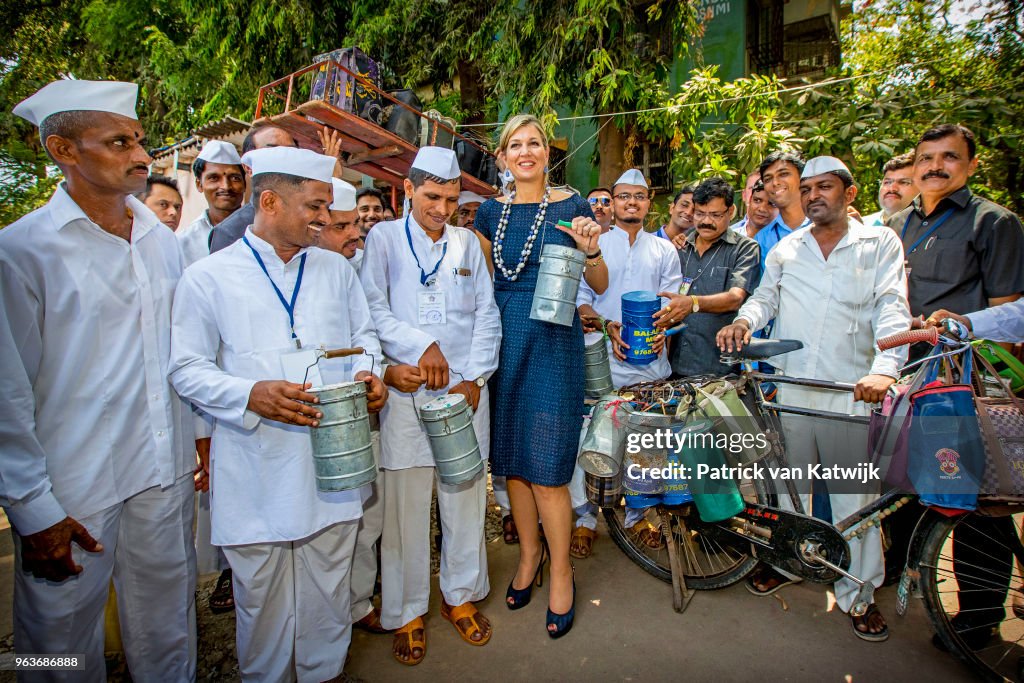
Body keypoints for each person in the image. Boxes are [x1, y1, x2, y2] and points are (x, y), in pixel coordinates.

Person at [1, 79, 198, 681]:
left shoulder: (162, 243)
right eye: (118, 142)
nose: (141, 156)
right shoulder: (22, 251)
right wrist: (33, 511)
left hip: (162, 474)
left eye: (138, 140)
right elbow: (7, 392)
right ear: (63, 150)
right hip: (72, 488)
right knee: (55, 639)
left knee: (168, 624)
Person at [169, 146, 387, 681]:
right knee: (261, 602)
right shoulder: (208, 277)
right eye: (314, 206)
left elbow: (364, 338)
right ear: (269, 200)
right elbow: (185, 368)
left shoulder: (335, 269)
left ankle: (324, 671)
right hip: (255, 468)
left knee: (328, 590)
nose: (324, 218)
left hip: (332, 465)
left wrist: (370, 373)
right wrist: (249, 394)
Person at [717, 156, 911, 642]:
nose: (813, 195)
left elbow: (893, 307)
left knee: (852, 499)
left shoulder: (877, 242)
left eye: (824, 186)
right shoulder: (787, 248)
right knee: (793, 490)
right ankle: (791, 566)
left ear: (850, 192)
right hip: (794, 389)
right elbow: (766, 299)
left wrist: (885, 370)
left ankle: (858, 594)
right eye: (807, 189)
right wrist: (745, 321)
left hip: (852, 391)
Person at [360, 147, 501, 665]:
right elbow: (371, 307)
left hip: (463, 393)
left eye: (451, 200)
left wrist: (477, 378)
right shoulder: (383, 239)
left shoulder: (467, 245)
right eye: (432, 197)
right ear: (409, 191)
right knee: (405, 504)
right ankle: (407, 609)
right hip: (407, 393)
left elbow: (487, 314)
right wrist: (419, 344)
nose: (442, 209)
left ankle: (459, 596)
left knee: (464, 496)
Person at [890, 123, 1024, 650]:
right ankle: (899, 578)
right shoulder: (896, 224)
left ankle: (979, 617)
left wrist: (963, 326)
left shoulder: (994, 222)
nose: (935, 167)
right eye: (926, 158)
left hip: (960, 386)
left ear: (969, 164)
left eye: (949, 157)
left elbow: (1011, 313)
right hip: (904, 377)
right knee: (904, 485)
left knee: (972, 501)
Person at [474, 113, 607, 639]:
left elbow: (598, 279)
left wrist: (592, 246)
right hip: (504, 341)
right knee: (513, 465)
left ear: (546, 155)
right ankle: (528, 556)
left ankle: (561, 571)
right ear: (503, 156)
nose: (525, 152)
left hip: (553, 340)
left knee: (549, 468)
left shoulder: (574, 206)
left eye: (534, 143)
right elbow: (480, 285)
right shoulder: (488, 212)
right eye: (515, 144)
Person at [572, 168, 683, 557]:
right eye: (623, 196)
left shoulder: (664, 249)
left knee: (646, 445)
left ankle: (640, 518)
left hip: (651, 365)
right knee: (595, 445)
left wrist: (663, 326)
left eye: (639, 196)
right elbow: (580, 299)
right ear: (613, 202)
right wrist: (605, 326)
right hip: (604, 362)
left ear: (649, 203)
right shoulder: (596, 244)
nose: (631, 202)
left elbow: (672, 301)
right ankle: (584, 520)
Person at [316, 178, 389, 637]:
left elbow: (368, 333)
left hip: (363, 415)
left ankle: (359, 604)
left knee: (366, 519)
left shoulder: (354, 268)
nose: (355, 234)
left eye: (355, 225)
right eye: (342, 226)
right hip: (313, 421)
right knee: (324, 535)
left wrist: (372, 372)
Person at [657, 177, 761, 378]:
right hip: (673, 365)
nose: (705, 221)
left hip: (719, 368)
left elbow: (735, 298)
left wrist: (693, 303)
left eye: (715, 215)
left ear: (731, 211)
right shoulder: (679, 247)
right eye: (700, 214)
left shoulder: (744, 249)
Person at [208, 125, 340, 253]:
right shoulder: (229, 232)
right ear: (249, 168)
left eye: (291, 152)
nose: (285, 157)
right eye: (274, 151)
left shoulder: (317, 222)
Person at [177, 139, 245, 265]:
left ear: (245, 183)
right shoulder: (184, 242)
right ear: (199, 184)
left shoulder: (261, 230)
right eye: (214, 178)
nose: (226, 186)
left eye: (235, 178)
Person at [754, 150, 811, 271]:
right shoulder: (762, 240)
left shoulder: (827, 224)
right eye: (768, 179)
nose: (775, 182)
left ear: (802, 178)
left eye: (783, 174)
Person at [862, 153, 917, 227]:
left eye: (903, 182)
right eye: (887, 182)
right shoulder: (859, 226)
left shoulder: (930, 230)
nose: (892, 188)